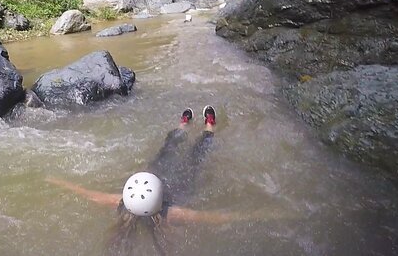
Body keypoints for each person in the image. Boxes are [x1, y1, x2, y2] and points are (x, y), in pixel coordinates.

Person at [47, 106, 277, 255]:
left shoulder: (123, 205)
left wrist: (56, 181)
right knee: (183, 150)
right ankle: (205, 124)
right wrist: (263, 214)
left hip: (159, 174)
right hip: (166, 175)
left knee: (189, 151)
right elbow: (219, 218)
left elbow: (86, 193)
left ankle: (190, 125)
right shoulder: (170, 213)